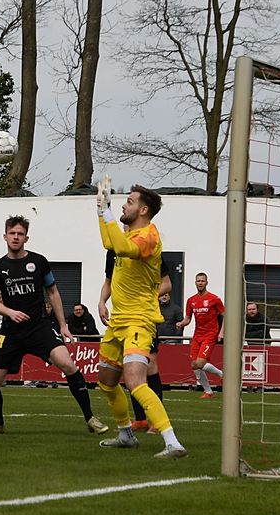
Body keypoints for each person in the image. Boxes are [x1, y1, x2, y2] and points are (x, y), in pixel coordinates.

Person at [0, 215, 108, 436]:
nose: (16, 237)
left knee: (68, 364)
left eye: (20, 234)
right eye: (12, 233)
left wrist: (63, 325)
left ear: (26, 238)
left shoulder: (39, 262)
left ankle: (90, 418)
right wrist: (10, 312)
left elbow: (53, 293)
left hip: (38, 327)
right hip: (11, 332)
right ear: (5, 236)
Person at [95, 182, 186, 458]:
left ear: (143, 210)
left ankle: (172, 442)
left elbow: (122, 248)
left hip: (139, 321)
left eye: (130, 201)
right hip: (118, 322)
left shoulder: (149, 236)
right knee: (106, 382)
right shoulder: (128, 234)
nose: (125, 205)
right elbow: (110, 243)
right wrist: (101, 210)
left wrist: (108, 212)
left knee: (135, 381)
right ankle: (126, 434)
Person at [98, 247, 172, 435]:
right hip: (121, 321)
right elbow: (109, 281)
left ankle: (157, 423)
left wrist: (144, 296)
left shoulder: (149, 247)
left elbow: (166, 283)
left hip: (142, 318)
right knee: (127, 370)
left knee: (149, 367)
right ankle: (140, 420)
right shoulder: (113, 251)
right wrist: (102, 302)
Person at [177, 272, 225, 399]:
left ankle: (222, 374)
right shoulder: (191, 300)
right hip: (197, 335)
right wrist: (181, 323)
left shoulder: (214, 299)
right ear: (195, 283)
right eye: (198, 281)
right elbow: (188, 319)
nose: (200, 283)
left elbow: (225, 315)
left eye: (202, 281)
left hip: (210, 334)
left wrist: (221, 332)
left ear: (206, 283)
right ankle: (208, 391)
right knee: (194, 364)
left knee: (200, 363)